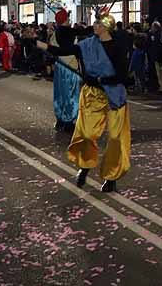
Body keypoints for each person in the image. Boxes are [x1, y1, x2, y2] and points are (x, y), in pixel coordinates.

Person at [35, 13, 131, 193]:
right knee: (86, 134)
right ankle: (85, 166)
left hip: (114, 96)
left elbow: (123, 76)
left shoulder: (117, 48)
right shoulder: (86, 45)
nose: (94, 26)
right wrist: (38, 44)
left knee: (117, 139)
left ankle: (111, 177)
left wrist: (101, 80)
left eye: (97, 23)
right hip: (92, 96)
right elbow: (62, 51)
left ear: (105, 27)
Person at [50, 10, 81, 132]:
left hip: (59, 66)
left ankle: (60, 119)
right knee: (71, 94)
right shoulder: (71, 34)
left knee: (60, 93)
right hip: (71, 67)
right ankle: (69, 120)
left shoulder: (55, 34)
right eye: (68, 19)